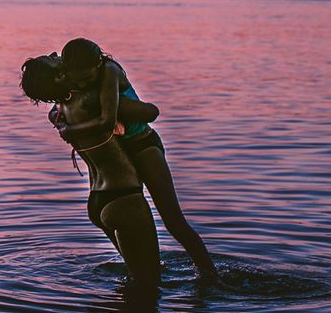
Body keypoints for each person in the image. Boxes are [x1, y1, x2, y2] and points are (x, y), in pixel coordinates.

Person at [57, 39, 219, 282]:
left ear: (98, 63)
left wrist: (70, 130)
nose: (83, 83)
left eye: (86, 77)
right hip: (126, 151)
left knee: (173, 221)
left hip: (144, 146)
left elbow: (108, 121)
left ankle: (210, 274)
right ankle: (148, 271)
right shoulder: (82, 80)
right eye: (77, 79)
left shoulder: (109, 71)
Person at [21, 56, 161, 287]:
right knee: (149, 285)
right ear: (59, 76)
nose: (58, 55)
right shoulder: (94, 100)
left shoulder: (57, 114)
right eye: (52, 59)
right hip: (124, 198)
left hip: (97, 199)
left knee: (137, 280)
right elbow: (150, 112)